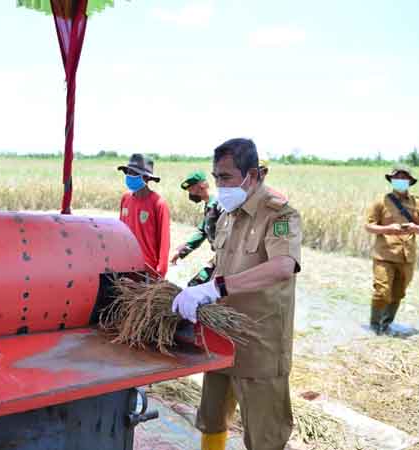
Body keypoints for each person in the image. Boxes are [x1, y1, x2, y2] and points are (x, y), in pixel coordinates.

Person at [171, 138, 301, 450]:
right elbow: (222, 260)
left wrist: (218, 287)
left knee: (264, 435)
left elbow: (283, 266)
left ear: (253, 175)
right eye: (215, 177)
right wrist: (200, 289)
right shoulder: (227, 213)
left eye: (226, 177)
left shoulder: (279, 214)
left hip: (259, 343)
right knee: (212, 417)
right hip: (221, 335)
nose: (219, 185)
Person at [364, 164, 419, 334]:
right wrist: (389, 229)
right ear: (392, 180)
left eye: (404, 178)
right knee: (382, 292)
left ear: (410, 181)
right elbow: (369, 226)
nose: (400, 181)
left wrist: (414, 228)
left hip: (407, 257)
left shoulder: (418, 203)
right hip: (384, 254)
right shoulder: (381, 202)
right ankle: (374, 325)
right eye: (397, 178)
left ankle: (386, 325)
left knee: (398, 293)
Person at [117, 153, 171, 278]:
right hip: (125, 264)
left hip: (147, 269)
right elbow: (120, 231)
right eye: (128, 172)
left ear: (146, 178)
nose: (130, 176)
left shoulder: (158, 203)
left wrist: (160, 271)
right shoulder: (125, 199)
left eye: (135, 173)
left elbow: (164, 240)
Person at [170, 170, 222, 286]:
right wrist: (182, 251)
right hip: (219, 258)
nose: (191, 194)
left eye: (192, 190)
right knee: (196, 285)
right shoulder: (209, 206)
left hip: (227, 260)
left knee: (202, 287)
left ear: (203, 185)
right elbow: (202, 231)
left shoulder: (219, 205)